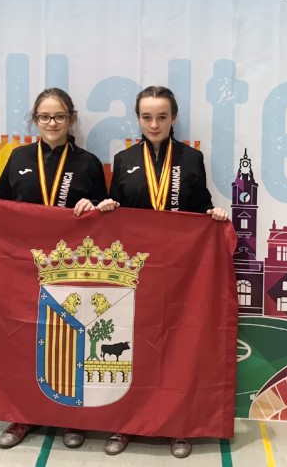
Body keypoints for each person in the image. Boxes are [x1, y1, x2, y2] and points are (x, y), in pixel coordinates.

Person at [0, 87, 107, 449]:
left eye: (60, 116)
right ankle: (22, 416)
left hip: (70, 268)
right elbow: (0, 206)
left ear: (71, 119)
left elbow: (103, 216)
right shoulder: (17, 157)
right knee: (25, 342)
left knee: (71, 341)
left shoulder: (88, 163)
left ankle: (71, 417)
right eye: (45, 116)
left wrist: (95, 205)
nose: (52, 122)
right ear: (35, 120)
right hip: (23, 268)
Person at [96, 85, 229, 458]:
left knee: (176, 346)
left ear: (174, 118)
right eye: (147, 117)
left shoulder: (190, 158)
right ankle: (123, 423)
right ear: (138, 119)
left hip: (180, 272)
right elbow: (118, 210)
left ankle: (178, 425)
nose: (154, 124)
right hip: (135, 271)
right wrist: (108, 207)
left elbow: (200, 205)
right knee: (132, 345)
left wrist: (213, 215)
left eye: (162, 117)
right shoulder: (124, 160)